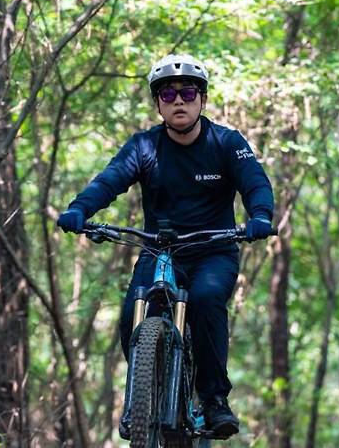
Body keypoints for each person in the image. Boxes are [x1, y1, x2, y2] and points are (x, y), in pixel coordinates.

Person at [56, 54, 274, 438]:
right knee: (131, 315)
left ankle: (213, 400)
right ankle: (142, 398)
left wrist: (260, 216)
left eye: (188, 92)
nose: (179, 100)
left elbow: (255, 182)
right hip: (159, 250)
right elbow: (109, 180)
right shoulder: (144, 147)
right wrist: (79, 208)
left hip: (213, 250)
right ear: (158, 102)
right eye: (168, 93)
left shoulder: (226, 142)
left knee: (207, 299)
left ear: (201, 99)